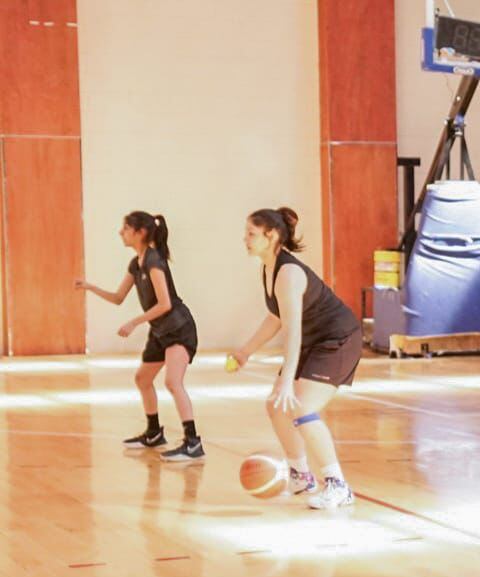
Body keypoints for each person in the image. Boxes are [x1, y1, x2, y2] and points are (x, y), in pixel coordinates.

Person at [231, 207, 362, 510]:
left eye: (251, 234)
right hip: (314, 341)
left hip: (338, 340)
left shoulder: (289, 273)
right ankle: (301, 475)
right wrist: (245, 351)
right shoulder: (269, 268)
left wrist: (287, 380)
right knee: (277, 405)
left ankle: (338, 485)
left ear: (271, 235)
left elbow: (292, 333)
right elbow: (276, 317)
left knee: (300, 406)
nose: (245, 239)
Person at [75, 211, 203, 462]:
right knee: (143, 379)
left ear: (140, 232)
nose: (120, 233)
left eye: (125, 229)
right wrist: (90, 287)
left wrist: (134, 322)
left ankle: (193, 442)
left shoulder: (154, 261)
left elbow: (165, 303)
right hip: (160, 331)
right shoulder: (137, 263)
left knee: (172, 382)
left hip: (179, 328)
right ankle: (154, 433)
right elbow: (118, 298)